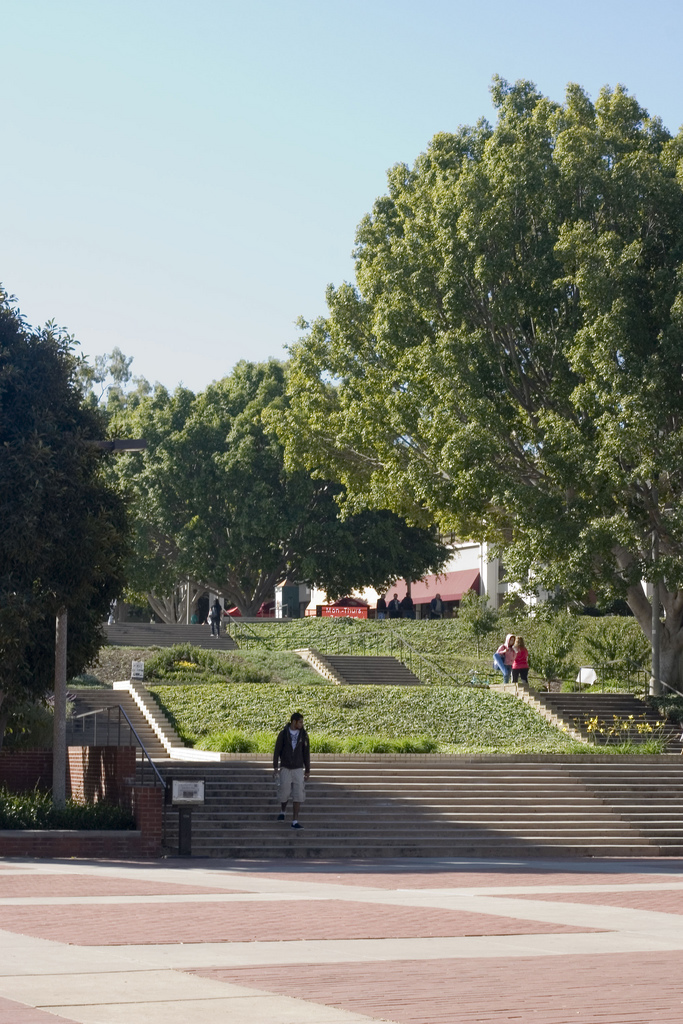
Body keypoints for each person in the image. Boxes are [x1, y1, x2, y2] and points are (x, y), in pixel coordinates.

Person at [273, 712, 310, 829]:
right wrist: (275, 768)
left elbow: (306, 752)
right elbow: (277, 751)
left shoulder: (303, 735)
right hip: (285, 767)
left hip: (298, 768)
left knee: (298, 794)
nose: (302, 724)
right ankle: (282, 812)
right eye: (300, 722)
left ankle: (295, 820)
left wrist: (307, 769)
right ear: (294, 722)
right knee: (284, 792)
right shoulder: (283, 734)